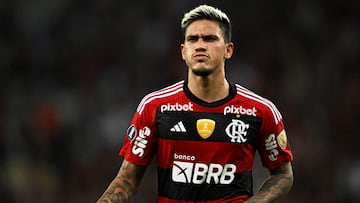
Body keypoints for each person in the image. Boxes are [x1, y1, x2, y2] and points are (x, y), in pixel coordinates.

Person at [97, 4, 293, 203]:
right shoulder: (154, 107)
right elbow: (126, 180)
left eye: (210, 39)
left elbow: (283, 174)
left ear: (228, 50)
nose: (200, 45)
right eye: (192, 39)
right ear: (183, 51)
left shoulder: (260, 110)